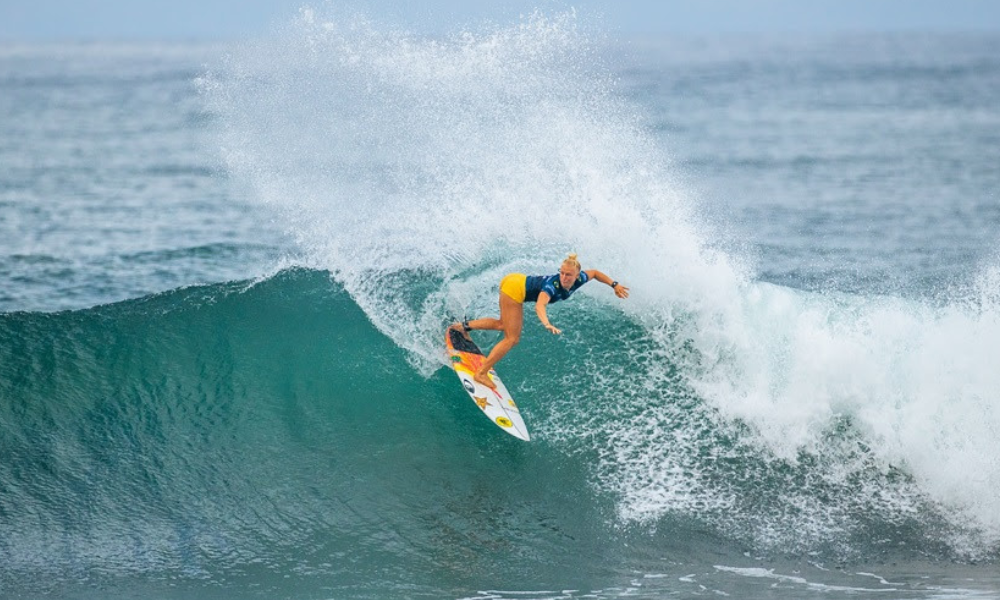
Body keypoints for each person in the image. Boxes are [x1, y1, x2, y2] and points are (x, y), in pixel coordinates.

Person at [452, 253, 629, 390]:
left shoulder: (581, 278)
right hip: (514, 288)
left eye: (569, 275)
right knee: (512, 338)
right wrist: (546, 323)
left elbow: (596, 273)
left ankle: (462, 327)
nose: (564, 277)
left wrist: (614, 285)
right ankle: (481, 373)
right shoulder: (552, 286)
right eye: (562, 273)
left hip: (515, 279)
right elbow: (540, 305)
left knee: (501, 324)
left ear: (577, 276)